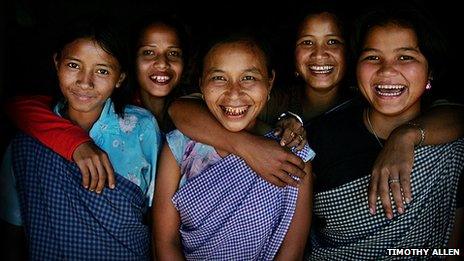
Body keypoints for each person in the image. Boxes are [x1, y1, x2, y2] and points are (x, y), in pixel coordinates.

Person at [168, 2, 464, 218]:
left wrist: (405, 135)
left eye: (333, 42)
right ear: (292, 53)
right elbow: (180, 109)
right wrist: (246, 146)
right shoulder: (264, 97)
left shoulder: (372, 98)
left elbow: (457, 114)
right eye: (307, 42)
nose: (319, 54)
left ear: (350, 53)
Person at [305, 5, 464, 259]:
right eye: (372, 57)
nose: (387, 70)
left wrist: (406, 136)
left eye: (405, 57)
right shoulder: (317, 140)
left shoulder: (452, 149)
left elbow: (451, 250)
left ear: (430, 72)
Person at [0, 17, 161, 259]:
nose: (85, 82)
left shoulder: (142, 128)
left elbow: (156, 216)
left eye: (102, 71)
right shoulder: (27, 140)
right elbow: (12, 230)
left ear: (120, 78)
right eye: (74, 65)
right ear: (57, 63)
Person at [153, 33, 315, 260]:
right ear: (201, 83)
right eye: (219, 78)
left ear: (270, 82)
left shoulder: (295, 155)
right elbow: (165, 242)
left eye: (248, 78)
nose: (234, 93)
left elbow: (292, 251)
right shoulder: (179, 147)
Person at [4, 13, 190, 193]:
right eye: (148, 52)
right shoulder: (36, 127)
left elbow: (154, 205)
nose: (162, 63)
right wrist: (75, 143)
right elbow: (16, 106)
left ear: (120, 76)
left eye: (102, 71)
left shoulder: (147, 123)